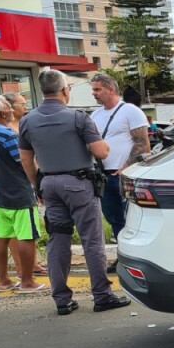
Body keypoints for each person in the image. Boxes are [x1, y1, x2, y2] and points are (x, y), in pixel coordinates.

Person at [18, 68, 130, 316]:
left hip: (49, 184)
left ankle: (62, 300)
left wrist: (38, 185)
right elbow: (101, 152)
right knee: (92, 240)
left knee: (58, 238)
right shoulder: (78, 118)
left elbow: (26, 160)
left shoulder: (27, 120)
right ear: (65, 90)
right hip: (79, 184)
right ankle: (102, 296)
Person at [0, 96, 45, 293]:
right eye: (9, 107)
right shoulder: (8, 135)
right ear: (2, 113)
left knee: (3, 237)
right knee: (27, 236)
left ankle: (3, 280)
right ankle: (27, 281)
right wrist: (38, 184)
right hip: (18, 193)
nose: (11, 111)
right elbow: (24, 162)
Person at [90, 72, 150, 273]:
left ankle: (139, 258)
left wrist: (126, 168)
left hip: (126, 176)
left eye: (98, 89)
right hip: (104, 175)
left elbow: (143, 143)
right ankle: (123, 257)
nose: (94, 94)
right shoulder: (96, 115)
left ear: (111, 89)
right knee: (114, 218)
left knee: (132, 218)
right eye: (93, 89)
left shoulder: (130, 111)